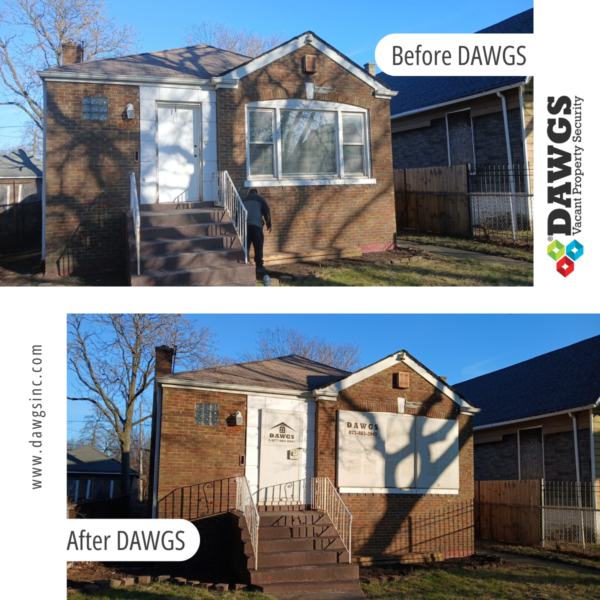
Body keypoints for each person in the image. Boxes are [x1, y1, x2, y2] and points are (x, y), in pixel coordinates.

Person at [243, 188, 271, 273]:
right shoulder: (260, 199)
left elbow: (238, 212)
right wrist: (268, 224)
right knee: (258, 246)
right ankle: (259, 266)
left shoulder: (243, 200)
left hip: (245, 227)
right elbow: (266, 211)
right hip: (256, 227)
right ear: (256, 193)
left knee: (246, 247)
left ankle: (245, 264)